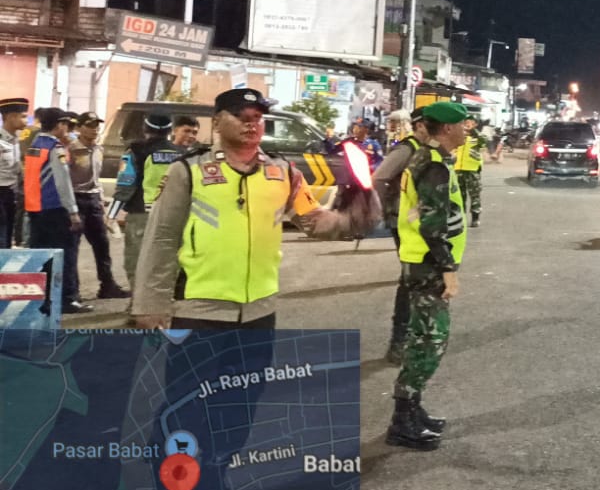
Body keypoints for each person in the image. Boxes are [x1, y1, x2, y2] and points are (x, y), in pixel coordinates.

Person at [131, 88, 379, 330]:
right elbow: (162, 237)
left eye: (257, 117)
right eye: (240, 116)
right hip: (199, 309)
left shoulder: (283, 171)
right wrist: (150, 303)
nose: (251, 124)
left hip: (260, 310)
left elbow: (313, 221)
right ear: (216, 123)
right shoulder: (187, 170)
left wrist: (355, 218)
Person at [389, 101, 473, 452]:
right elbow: (432, 225)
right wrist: (448, 270)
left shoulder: (432, 158)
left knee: (424, 339)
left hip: (422, 261)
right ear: (448, 128)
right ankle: (402, 420)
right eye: (463, 125)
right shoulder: (434, 165)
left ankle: (412, 409)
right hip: (428, 265)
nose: (467, 130)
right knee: (429, 342)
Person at [373, 108, 426, 363]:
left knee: (418, 278)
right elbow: (379, 178)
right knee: (408, 279)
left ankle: (415, 335)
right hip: (402, 221)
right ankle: (398, 341)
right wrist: (382, 208)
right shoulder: (407, 149)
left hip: (422, 223)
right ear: (420, 126)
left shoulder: (429, 149)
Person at [25, 109, 89, 313]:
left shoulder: (35, 145)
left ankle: (43, 300)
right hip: (55, 208)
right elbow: (62, 182)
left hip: (35, 208)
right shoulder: (55, 148)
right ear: (59, 125)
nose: (67, 128)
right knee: (64, 254)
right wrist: (73, 211)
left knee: (41, 256)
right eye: (65, 124)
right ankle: (67, 300)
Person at [110, 113, 183, 291]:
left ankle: (139, 301)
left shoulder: (135, 151)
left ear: (145, 128)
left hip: (141, 214)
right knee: (167, 261)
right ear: (170, 131)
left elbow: (126, 183)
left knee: (137, 261)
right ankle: (164, 299)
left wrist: (111, 214)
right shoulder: (182, 153)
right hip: (173, 215)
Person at [68, 113, 126, 300]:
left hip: (93, 200)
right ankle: (72, 291)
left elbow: (96, 178)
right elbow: (64, 179)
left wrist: (100, 200)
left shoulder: (98, 149)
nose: (94, 129)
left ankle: (107, 286)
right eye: (90, 125)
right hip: (76, 198)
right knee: (73, 247)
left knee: (102, 245)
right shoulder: (71, 149)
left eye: (96, 125)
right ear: (79, 128)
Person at [0, 97, 26, 248]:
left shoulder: (15, 140)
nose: (26, 121)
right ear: (10, 117)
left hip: (11, 192)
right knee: (1, 235)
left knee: (8, 234)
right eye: (23, 116)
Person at [454, 116, 487, 227]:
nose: (467, 124)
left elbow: (484, 142)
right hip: (458, 170)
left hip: (472, 170)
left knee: (474, 195)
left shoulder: (477, 137)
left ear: (475, 124)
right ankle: (461, 218)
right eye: (466, 122)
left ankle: (475, 218)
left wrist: (473, 131)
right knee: (459, 196)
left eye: (471, 123)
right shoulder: (460, 136)